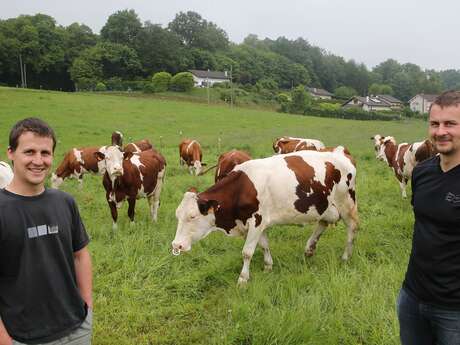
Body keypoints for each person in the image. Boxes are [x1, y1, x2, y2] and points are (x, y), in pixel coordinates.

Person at [0, 118, 93, 345]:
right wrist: (4, 339)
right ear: (11, 153)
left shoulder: (64, 202)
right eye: (29, 152)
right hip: (22, 336)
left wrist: (87, 306)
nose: (38, 161)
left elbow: (80, 255)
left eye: (45, 153)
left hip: (76, 328)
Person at [398, 90, 460, 345]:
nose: (440, 131)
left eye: (450, 124)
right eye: (435, 124)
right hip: (412, 297)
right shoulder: (422, 172)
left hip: (454, 310)